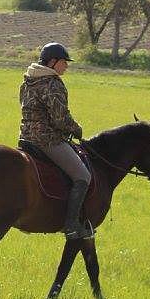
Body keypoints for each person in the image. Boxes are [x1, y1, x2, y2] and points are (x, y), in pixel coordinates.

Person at [19, 41, 93, 239]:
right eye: (63, 62)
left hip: (25, 138)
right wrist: (76, 129)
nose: (66, 66)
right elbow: (60, 119)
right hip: (47, 141)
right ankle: (71, 225)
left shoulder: (27, 81)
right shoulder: (53, 83)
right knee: (83, 176)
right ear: (52, 62)